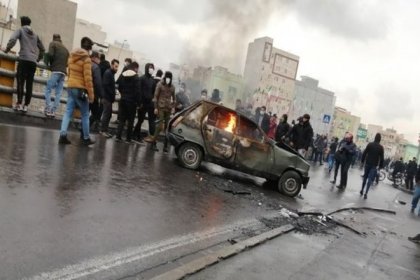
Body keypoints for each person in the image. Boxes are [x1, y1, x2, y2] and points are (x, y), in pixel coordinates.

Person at [58, 37, 95, 145]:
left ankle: (63, 135)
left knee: (68, 112)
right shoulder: (86, 59)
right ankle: (86, 138)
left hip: (70, 86)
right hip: (80, 88)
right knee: (85, 114)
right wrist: (91, 95)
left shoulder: (72, 55)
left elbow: (69, 71)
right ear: (89, 48)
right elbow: (88, 78)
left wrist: (70, 83)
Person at [4, 16, 45, 112]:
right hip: (33, 62)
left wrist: (7, 50)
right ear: (29, 24)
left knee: (20, 82)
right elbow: (42, 49)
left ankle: (18, 104)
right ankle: (26, 105)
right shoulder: (35, 34)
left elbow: (12, 40)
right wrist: (38, 58)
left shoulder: (20, 30)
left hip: (23, 59)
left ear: (22, 23)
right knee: (29, 84)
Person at [146, 71, 175, 153]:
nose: (168, 79)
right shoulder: (160, 84)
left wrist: (173, 107)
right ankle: (153, 143)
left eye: (170, 77)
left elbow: (174, 98)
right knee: (159, 126)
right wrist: (155, 107)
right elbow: (155, 96)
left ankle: (165, 146)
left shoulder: (172, 87)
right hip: (160, 107)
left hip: (168, 108)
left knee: (167, 127)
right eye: (167, 77)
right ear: (165, 77)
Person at [43, 34, 69, 118]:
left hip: (56, 70)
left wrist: (49, 64)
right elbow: (68, 63)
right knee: (58, 93)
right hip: (63, 72)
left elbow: (50, 54)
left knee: (48, 89)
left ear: (53, 38)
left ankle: (48, 109)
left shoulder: (53, 44)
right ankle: (53, 111)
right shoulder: (65, 49)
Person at [115, 62, 141, 143]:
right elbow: (137, 91)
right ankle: (128, 139)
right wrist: (139, 102)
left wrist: (123, 93)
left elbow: (119, 87)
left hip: (123, 100)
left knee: (122, 119)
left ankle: (118, 137)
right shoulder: (136, 77)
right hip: (132, 102)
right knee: (131, 120)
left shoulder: (123, 75)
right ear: (135, 68)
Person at [132, 63, 157, 142]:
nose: (151, 69)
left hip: (149, 103)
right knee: (140, 120)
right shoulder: (142, 78)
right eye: (150, 67)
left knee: (142, 120)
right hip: (142, 103)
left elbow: (154, 92)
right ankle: (135, 135)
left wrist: (152, 100)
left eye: (152, 68)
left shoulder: (152, 81)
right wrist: (139, 102)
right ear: (146, 68)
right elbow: (138, 91)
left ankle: (136, 135)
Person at [359, 133, 384, 199]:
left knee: (365, 177)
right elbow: (382, 158)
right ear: (380, 139)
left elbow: (364, 153)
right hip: (374, 165)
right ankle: (366, 193)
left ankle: (361, 190)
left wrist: (362, 161)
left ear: (375, 138)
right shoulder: (381, 147)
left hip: (367, 163)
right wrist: (381, 166)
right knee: (370, 179)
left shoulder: (370, 144)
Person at [100, 59, 119, 137]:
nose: (116, 68)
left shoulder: (111, 73)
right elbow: (106, 86)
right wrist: (113, 93)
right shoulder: (108, 73)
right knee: (106, 114)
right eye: (115, 66)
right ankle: (103, 130)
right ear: (111, 65)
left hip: (109, 98)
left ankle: (105, 130)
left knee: (109, 115)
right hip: (107, 97)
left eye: (117, 67)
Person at [89, 51, 104, 132]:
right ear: (94, 58)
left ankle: (83, 130)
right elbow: (98, 82)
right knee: (96, 113)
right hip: (93, 94)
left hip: (85, 92)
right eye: (98, 58)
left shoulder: (87, 64)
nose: (99, 60)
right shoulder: (96, 67)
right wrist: (101, 95)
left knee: (85, 113)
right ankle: (84, 130)